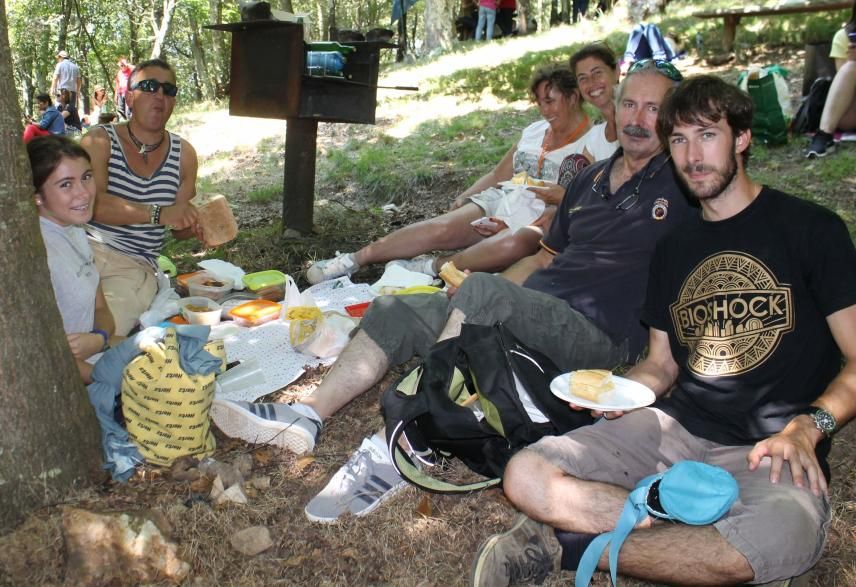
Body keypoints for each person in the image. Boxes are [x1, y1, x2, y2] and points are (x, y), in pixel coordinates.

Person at [212, 61, 696, 523]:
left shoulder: (682, 184)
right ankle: (309, 415)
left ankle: (407, 434)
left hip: (598, 335)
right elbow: (542, 257)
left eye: (653, 108)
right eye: (630, 104)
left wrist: (485, 297)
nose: (637, 119)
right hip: (538, 309)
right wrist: (470, 302)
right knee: (399, 309)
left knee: (483, 293)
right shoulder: (589, 180)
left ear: (674, 117)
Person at [471, 75, 856, 587]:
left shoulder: (811, 229)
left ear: (742, 138)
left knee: (777, 541)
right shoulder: (675, 247)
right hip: (673, 430)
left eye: (707, 135)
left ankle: (572, 545)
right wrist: (624, 391)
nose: (692, 155)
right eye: (678, 139)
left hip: (770, 447)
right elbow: (661, 364)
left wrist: (810, 427)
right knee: (526, 475)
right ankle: (688, 523)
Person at [305, 65, 615, 283]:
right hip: (501, 199)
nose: (544, 110)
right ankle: (353, 259)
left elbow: (573, 200)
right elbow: (499, 173)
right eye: (539, 102)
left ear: (573, 97)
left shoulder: (593, 141)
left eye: (551, 101)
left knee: (513, 244)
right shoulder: (534, 131)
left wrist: (511, 221)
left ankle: (430, 266)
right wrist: (465, 196)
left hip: (535, 218)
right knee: (440, 229)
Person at [81, 58, 203, 336]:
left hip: (133, 266)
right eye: (148, 86)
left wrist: (195, 225)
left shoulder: (184, 155)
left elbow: (179, 230)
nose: (159, 96)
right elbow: (91, 205)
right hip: (82, 250)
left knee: (100, 333)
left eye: (168, 90)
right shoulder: (99, 141)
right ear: (129, 95)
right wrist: (158, 213)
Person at [27, 135, 116, 384]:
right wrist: (117, 383)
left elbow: (100, 308)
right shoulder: (39, 252)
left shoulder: (75, 230)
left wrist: (99, 337)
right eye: (66, 184)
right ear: (37, 196)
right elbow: (46, 355)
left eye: (86, 177)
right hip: (72, 381)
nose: (84, 193)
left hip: (97, 359)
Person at [807, 0, 856, 158]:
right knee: (850, 66)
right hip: (851, 110)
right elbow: (844, 82)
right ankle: (824, 135)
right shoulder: (844, 37)